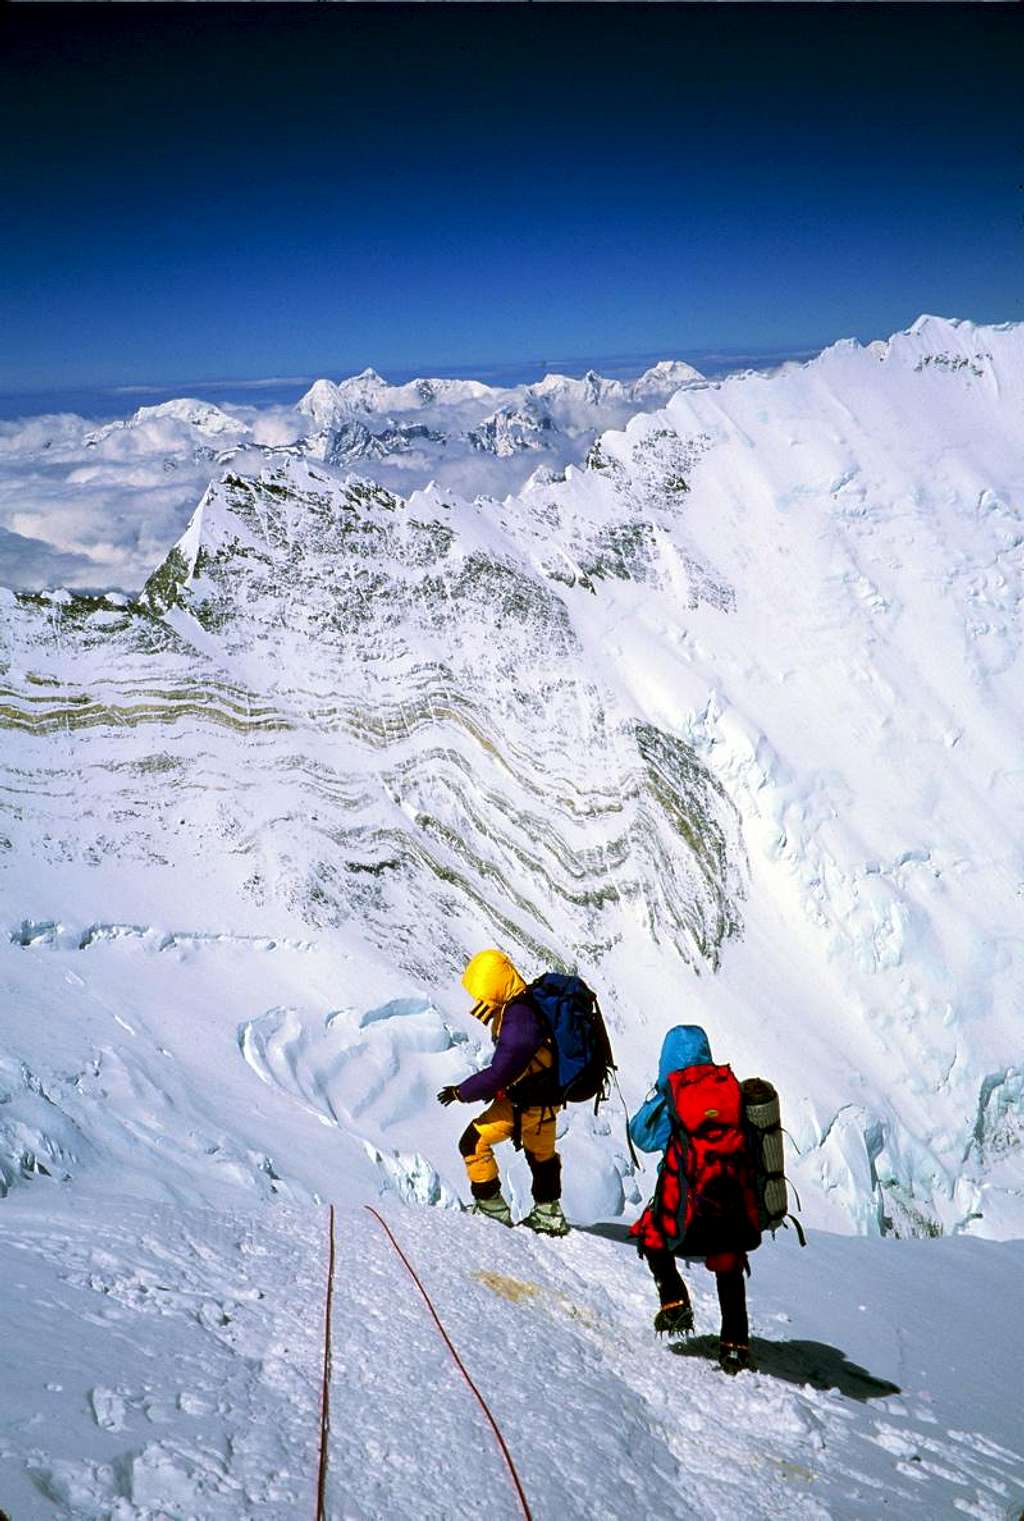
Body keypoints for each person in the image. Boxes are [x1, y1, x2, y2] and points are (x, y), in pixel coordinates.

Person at [628, 1024, 759, 1374]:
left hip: (682, 1208)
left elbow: (641, 1136)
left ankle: (674, 1302)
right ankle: (735, 1344)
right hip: (732, 1206)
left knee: (650, 1232)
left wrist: (658, 1096)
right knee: (728, 1261)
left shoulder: (674, 1099)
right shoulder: (728, 1091)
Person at [437, 948, 570, 1236]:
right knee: (541, 1155)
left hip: (527, 1103)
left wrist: (461, 1092)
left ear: (492, 985)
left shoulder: (519, 1019)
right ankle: (549, 1214)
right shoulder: (528, 1004)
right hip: (547, 1099)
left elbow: (501, 1072)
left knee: (473, 1143)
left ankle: (492, 1210)